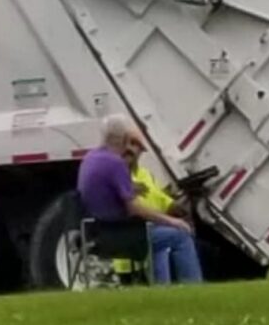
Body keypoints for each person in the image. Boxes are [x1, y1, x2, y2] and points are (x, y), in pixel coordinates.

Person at [77, 114, 203, 284]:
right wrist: (172, 221)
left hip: (95, 234)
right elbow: (134, 208)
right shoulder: (116, 164)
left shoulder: (90, 159)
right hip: (123, 236)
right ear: (125, 139)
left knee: (159, 238)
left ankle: (161, 290)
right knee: (180, 236)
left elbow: (102, 191)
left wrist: (130, 188)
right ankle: (193, 287)